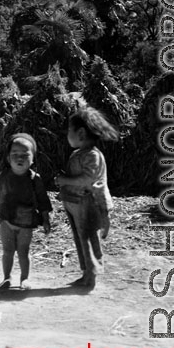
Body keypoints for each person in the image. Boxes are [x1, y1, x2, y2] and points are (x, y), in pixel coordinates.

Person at [55, 106, 119, 290]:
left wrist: (65, 179)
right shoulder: (79, 154)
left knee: (89, 239)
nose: (67, 134)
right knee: (81, 239)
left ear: (81, 133)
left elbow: (88, 180)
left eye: (69, 130)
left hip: (88, 205)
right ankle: (86, 273)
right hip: (75, 204)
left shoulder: (93, 156)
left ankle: (91, 277)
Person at [0, 133, 52, 291]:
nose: (19, 158)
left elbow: (43, 201)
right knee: (7, 251)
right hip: (6, 220)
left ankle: (24, 278)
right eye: (15, 154)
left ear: (32, 159)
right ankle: (6, 277)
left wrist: (46, 219)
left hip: (26, 222)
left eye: (24, 155)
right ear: (8, 159)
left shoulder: (35, 179)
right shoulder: (3, 177)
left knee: (23, 251)